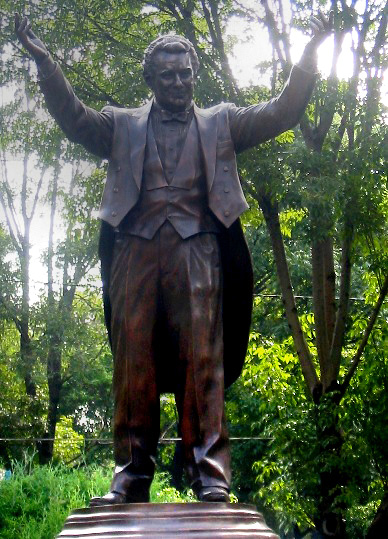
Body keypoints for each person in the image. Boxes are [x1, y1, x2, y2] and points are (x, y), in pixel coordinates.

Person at [15, 11, 332, 505]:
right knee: (132, 363)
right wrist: (46, 63)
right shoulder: (120, 125)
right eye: (168, 75)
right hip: (134, 253)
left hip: (199, 252)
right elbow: (74, 118)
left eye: (185, 73)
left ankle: (210, 475)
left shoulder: (222, 123)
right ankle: (131, 472)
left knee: (204, 364)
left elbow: (282, 112)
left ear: (195, 74)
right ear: (150, 79)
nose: (179, 82)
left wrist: (309, 56)